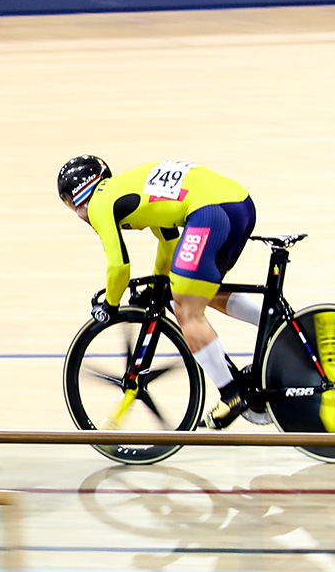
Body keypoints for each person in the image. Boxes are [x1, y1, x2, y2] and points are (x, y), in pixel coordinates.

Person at [58, 155, 268, 427]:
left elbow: (119, 266)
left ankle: (232, 395)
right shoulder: (127, 189)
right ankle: (275, 328)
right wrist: (159, 281)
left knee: (186, 309)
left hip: (212, 211)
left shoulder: (99, 203)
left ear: (73, 198)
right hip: (238, 203)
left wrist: (110, 305)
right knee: (197, 288)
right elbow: (169, 242)